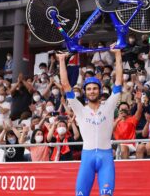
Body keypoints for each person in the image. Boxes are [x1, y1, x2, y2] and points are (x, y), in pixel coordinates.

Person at [57, 42, 122, 196]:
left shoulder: (109, 105)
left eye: (95, 88)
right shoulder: (80, 109)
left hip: (106, 158)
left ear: (100, 90)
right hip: (87, 158)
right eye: (89, 89)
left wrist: (118, 55)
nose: (92, 91)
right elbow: (66, 85)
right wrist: (61, 60)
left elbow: (118, 82)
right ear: (85, 92)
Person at [113, 92, 142, 159]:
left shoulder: (132, 119)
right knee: (124, 147)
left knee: (142, 146)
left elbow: (139, 111)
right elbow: (110, 130)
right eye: (121, 109)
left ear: (129, 110)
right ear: (118, 110)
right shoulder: (115, 121)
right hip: (120, 145)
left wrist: (139, 101)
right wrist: (118, 119)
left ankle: (140, 167)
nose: (123, 111)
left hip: (132, 144)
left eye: (125, 109)